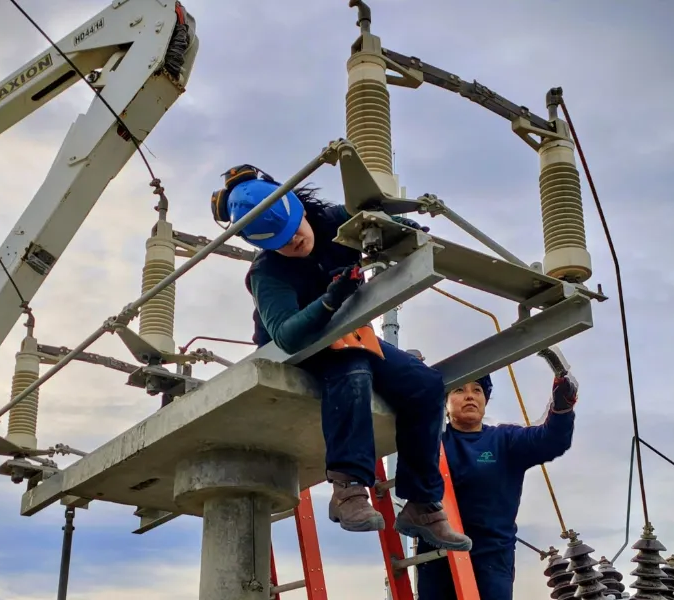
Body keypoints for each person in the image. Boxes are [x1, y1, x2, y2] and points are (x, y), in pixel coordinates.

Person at [209, 164, 472, 551]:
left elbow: (381, 217)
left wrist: (405, 235)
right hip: (301, 348)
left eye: (295, 229)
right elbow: (286, 334)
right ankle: (348, 489)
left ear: (298, 207)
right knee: (353, 370)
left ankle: (421, 505)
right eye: (280, 242)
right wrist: (330, 300)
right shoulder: (268, 273)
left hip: (352, 333)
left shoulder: (336, 220)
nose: (293, 241)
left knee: (425, 384)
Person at [414, 371, 578, 600]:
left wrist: (561, 408)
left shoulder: (505, 440)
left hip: (491, 556)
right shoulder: (433, 441)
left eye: (477, 390)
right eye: (460, 390)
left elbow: (550, 440)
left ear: (485, 401)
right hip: (437, 554)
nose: (470, 396)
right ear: (445, 403)